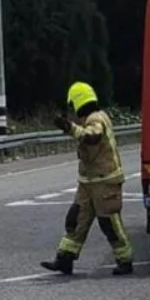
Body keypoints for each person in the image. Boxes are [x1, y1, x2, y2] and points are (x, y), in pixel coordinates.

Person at [40, 82, 134, 276]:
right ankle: (64, 259)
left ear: (77, 103)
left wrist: (70, 128)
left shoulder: (97, 119)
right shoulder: (89, 120)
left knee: (109, 223)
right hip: (88, 182)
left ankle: (124, 260)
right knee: (76, 220)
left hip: (105, 182)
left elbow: (93, 136)